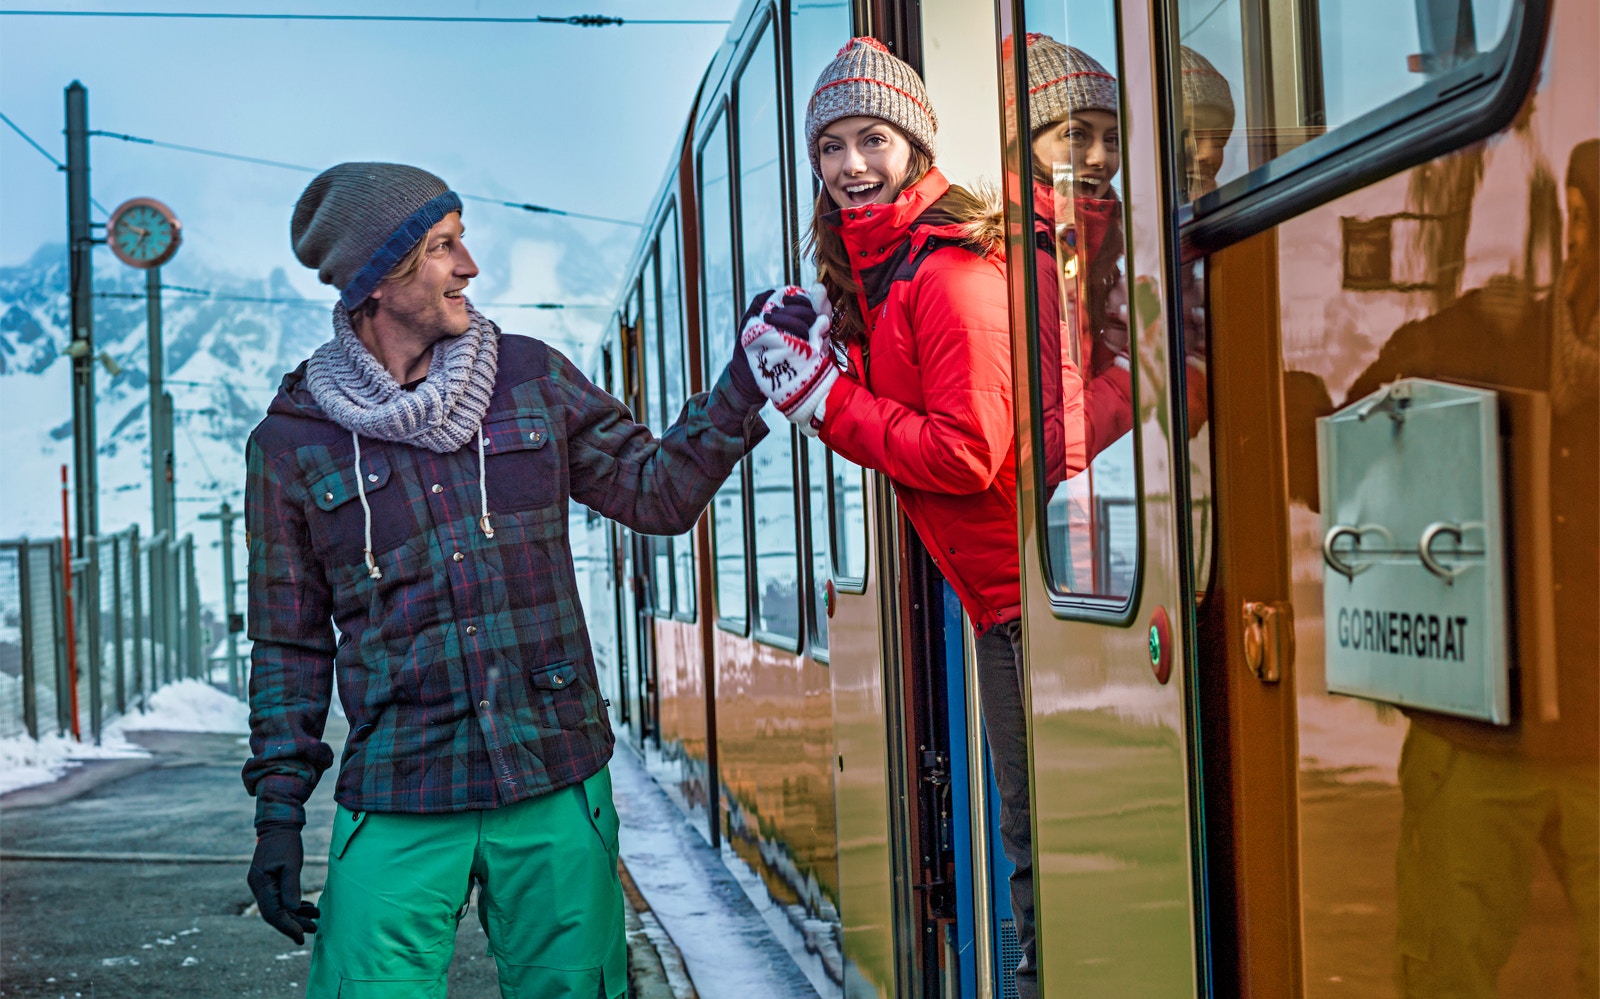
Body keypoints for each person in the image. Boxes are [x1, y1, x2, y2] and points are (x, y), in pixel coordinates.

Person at [242, 162, 771, 998]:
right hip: (400, 788)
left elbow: (656, 493)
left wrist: (741, 387)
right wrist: (278, 813)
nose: (469, 266)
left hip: (552, 774)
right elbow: (288, 642)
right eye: (442, 246)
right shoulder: (290, 444)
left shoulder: (530, 378)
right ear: (376, 279)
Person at [735, 37, 1040, 997]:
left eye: (873, 139)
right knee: (1029, 832)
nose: (852, 164)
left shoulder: (947, 273)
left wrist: (827, 398)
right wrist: (838, 353)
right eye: (831, 147)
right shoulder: (886, 267)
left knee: (1035, 840)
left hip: (1024, 600)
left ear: (914, 144)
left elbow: (966, 451)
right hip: (998, 594)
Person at [1024, 33, 1134, 489]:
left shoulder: (1087, 242)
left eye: (1113, 139)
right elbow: (1048, 448)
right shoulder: (1028, 253)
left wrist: (1115, 337)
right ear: (1026, 142)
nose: (1100, 157)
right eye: (1075, 134)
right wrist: (1133, 369)